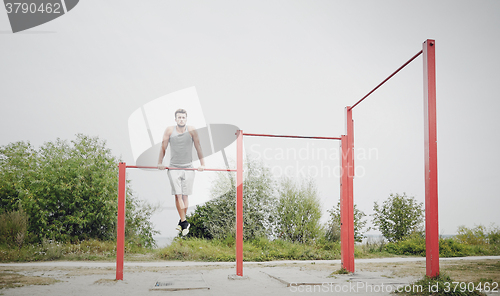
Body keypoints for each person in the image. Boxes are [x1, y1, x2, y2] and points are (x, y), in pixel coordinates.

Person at [158, 109, 205, 236]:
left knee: (185, 196)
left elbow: (198, 146)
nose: (181, 119)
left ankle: (182, 222)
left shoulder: (191, 130)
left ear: (186, 119)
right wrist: (160, 163)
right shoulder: (169, 130)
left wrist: (202, 164)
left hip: (188, 167)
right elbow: (163, 147)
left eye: (183, 117)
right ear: (175, 119)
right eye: (179, 117)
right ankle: (184, 221)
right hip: (173, 167)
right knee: (177, 195)